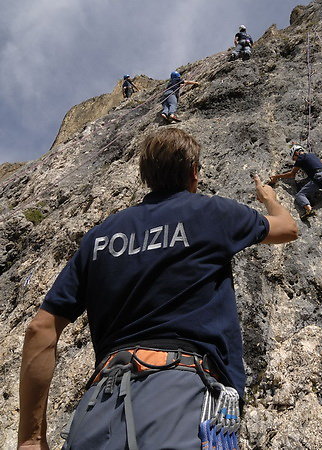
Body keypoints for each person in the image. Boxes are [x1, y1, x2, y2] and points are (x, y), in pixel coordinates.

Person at [18, 128, 298, 449]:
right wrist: (271, 200)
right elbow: (287, 229)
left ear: (144, 175)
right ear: (194, 172)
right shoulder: (211, 212)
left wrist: (29, 439)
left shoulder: (100, 237)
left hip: (101, 404)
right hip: (181, 395)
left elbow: (40, 329)